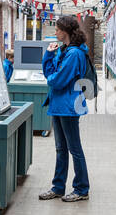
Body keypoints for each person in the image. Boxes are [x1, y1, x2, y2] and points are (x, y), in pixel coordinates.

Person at [38, 15, 91, 202]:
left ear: (66, 31)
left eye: (58, 29)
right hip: (59, 105)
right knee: (61, 149)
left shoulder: (74, 54)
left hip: (68, 106)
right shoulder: (64, 50)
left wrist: (52, 77)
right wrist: (49, 55)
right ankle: (58, 187)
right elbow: (50, 73)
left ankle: (81, 189)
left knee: (74, 149)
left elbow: (57, 80)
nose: (56, 32)